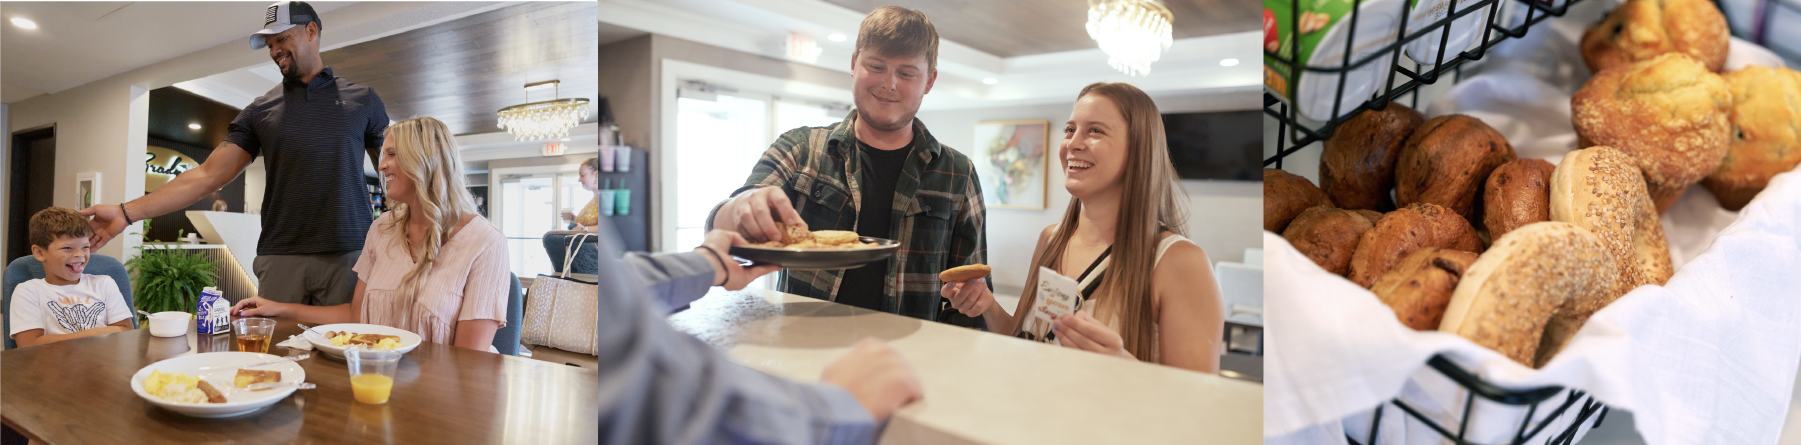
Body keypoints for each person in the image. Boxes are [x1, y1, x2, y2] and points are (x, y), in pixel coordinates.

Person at [82, 1, 388, 308]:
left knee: (347, 350)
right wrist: (125, 213)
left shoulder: (363, 100)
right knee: (273, 354)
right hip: (280, 256)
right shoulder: (260, 111)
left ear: (311, 31)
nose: (274, 51)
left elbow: (394, 170)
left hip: (349, 252)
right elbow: (206, 175)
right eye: (269, 44)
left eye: (282, 39)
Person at [706, 6, 987, 327]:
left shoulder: (958, 173)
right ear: (854, 64)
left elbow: (971, 288)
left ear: (929, 81)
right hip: (804, 345)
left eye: (907, 73)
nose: (889, 83)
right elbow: (723, 226)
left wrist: (973, 301)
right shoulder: (799, 149)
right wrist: (740, 207)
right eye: (876, 66)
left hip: (910, 357)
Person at [939, 83, 1226, 373]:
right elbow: (1025, 340)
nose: (1072, 143)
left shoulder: (1180, 262)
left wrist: (1123, 365)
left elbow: (1198, 401)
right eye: (1070, 129)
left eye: (1095, 131)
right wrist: (987, 305)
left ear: (1139, 148)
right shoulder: (1052, 239)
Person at [595, 216, 924, 443]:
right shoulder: (800, 147)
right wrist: (830, 411)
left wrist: (708, 262)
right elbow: (648, 394)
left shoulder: (956, 170)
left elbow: (619, 291)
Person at [228, 118, 505, 352]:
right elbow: (354, 315)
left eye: (392, 154)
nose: (381, 165)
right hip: (372, 381)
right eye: (383, 155)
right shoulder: (382, 228)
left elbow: (470, 363)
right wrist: (278, 308)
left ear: (426, 160)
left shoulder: (486, 243)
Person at [8, 208, 134, 348]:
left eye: (85, 247)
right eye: (67, 248)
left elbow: (126, 331)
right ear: (39, 252)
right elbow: (29, 345)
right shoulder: (28, 291)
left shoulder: (104, 284)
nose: (79, 255)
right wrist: (99, 332)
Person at [560, 157, 601, 233]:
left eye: (582, 175)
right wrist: (574, 218)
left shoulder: (605, 197)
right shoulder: (594, 199)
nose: (579, 179)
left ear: (596, 174)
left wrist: (584, 229)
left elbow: (610, 228)